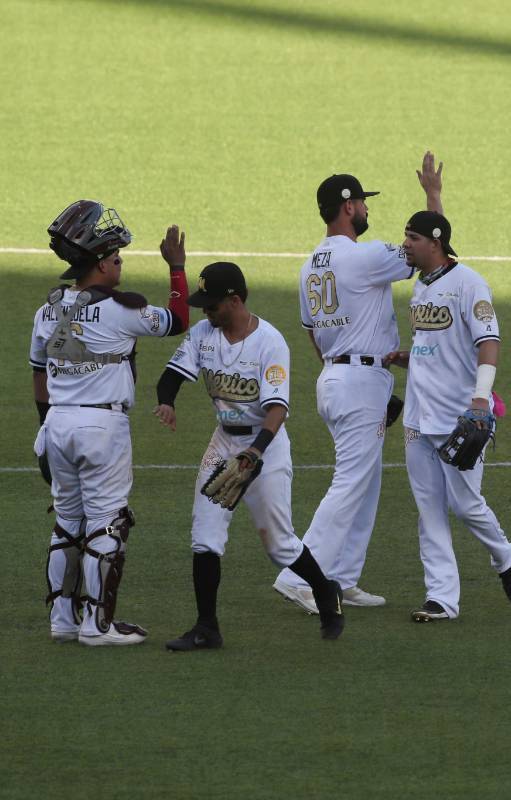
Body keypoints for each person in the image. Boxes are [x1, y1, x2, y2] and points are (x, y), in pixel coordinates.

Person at [273, 153, 444, 612]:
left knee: (365, 482)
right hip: (358, 381)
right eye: (364, 202)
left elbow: (311, 330)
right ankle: (299, 576)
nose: (367, 209)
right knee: (351, 481)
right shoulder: (365, 256)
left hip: (335, 376)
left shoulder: (310, 265)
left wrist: (339, 370)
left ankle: (342, 577)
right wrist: (433, 196)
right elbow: (431, 252)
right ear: (348, 206)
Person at [153, 261, 345, 648]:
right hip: (223, 442)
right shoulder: (204, 334)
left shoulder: (270, 342)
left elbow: (277, 410)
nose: (205, 312)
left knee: (279, 544)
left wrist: (255, 453)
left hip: (265, 445)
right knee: (205, 536)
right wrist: (166, 401)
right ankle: (207, 628)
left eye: (211, 305)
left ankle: (325, 590)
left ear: (235, 301)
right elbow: (171, 374)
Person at [30, 201, 190, 645]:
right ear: (100, 264)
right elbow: (178, 320)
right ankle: (97, 626)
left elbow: (39, 374)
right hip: (102, 427)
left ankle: (63, 621)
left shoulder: (46, 312)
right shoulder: (123, 310)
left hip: (57, 425)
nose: (120, 263)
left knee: (67, 523)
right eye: (116, 258)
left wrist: (45, 428)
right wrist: (176, 267)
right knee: (107, 524)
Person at [383, 212, 511, 622]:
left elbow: (489, 342)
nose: (405, 244)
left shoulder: (469, 284)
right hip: (418, 418)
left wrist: (480, 400)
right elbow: (435, 346)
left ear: (435, 242)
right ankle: (442, 599)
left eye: (412, 237)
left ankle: (505, 557)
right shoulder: (421, 287)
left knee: (465, 505)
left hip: (460, 416)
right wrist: (410, 358)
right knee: (429, 510)